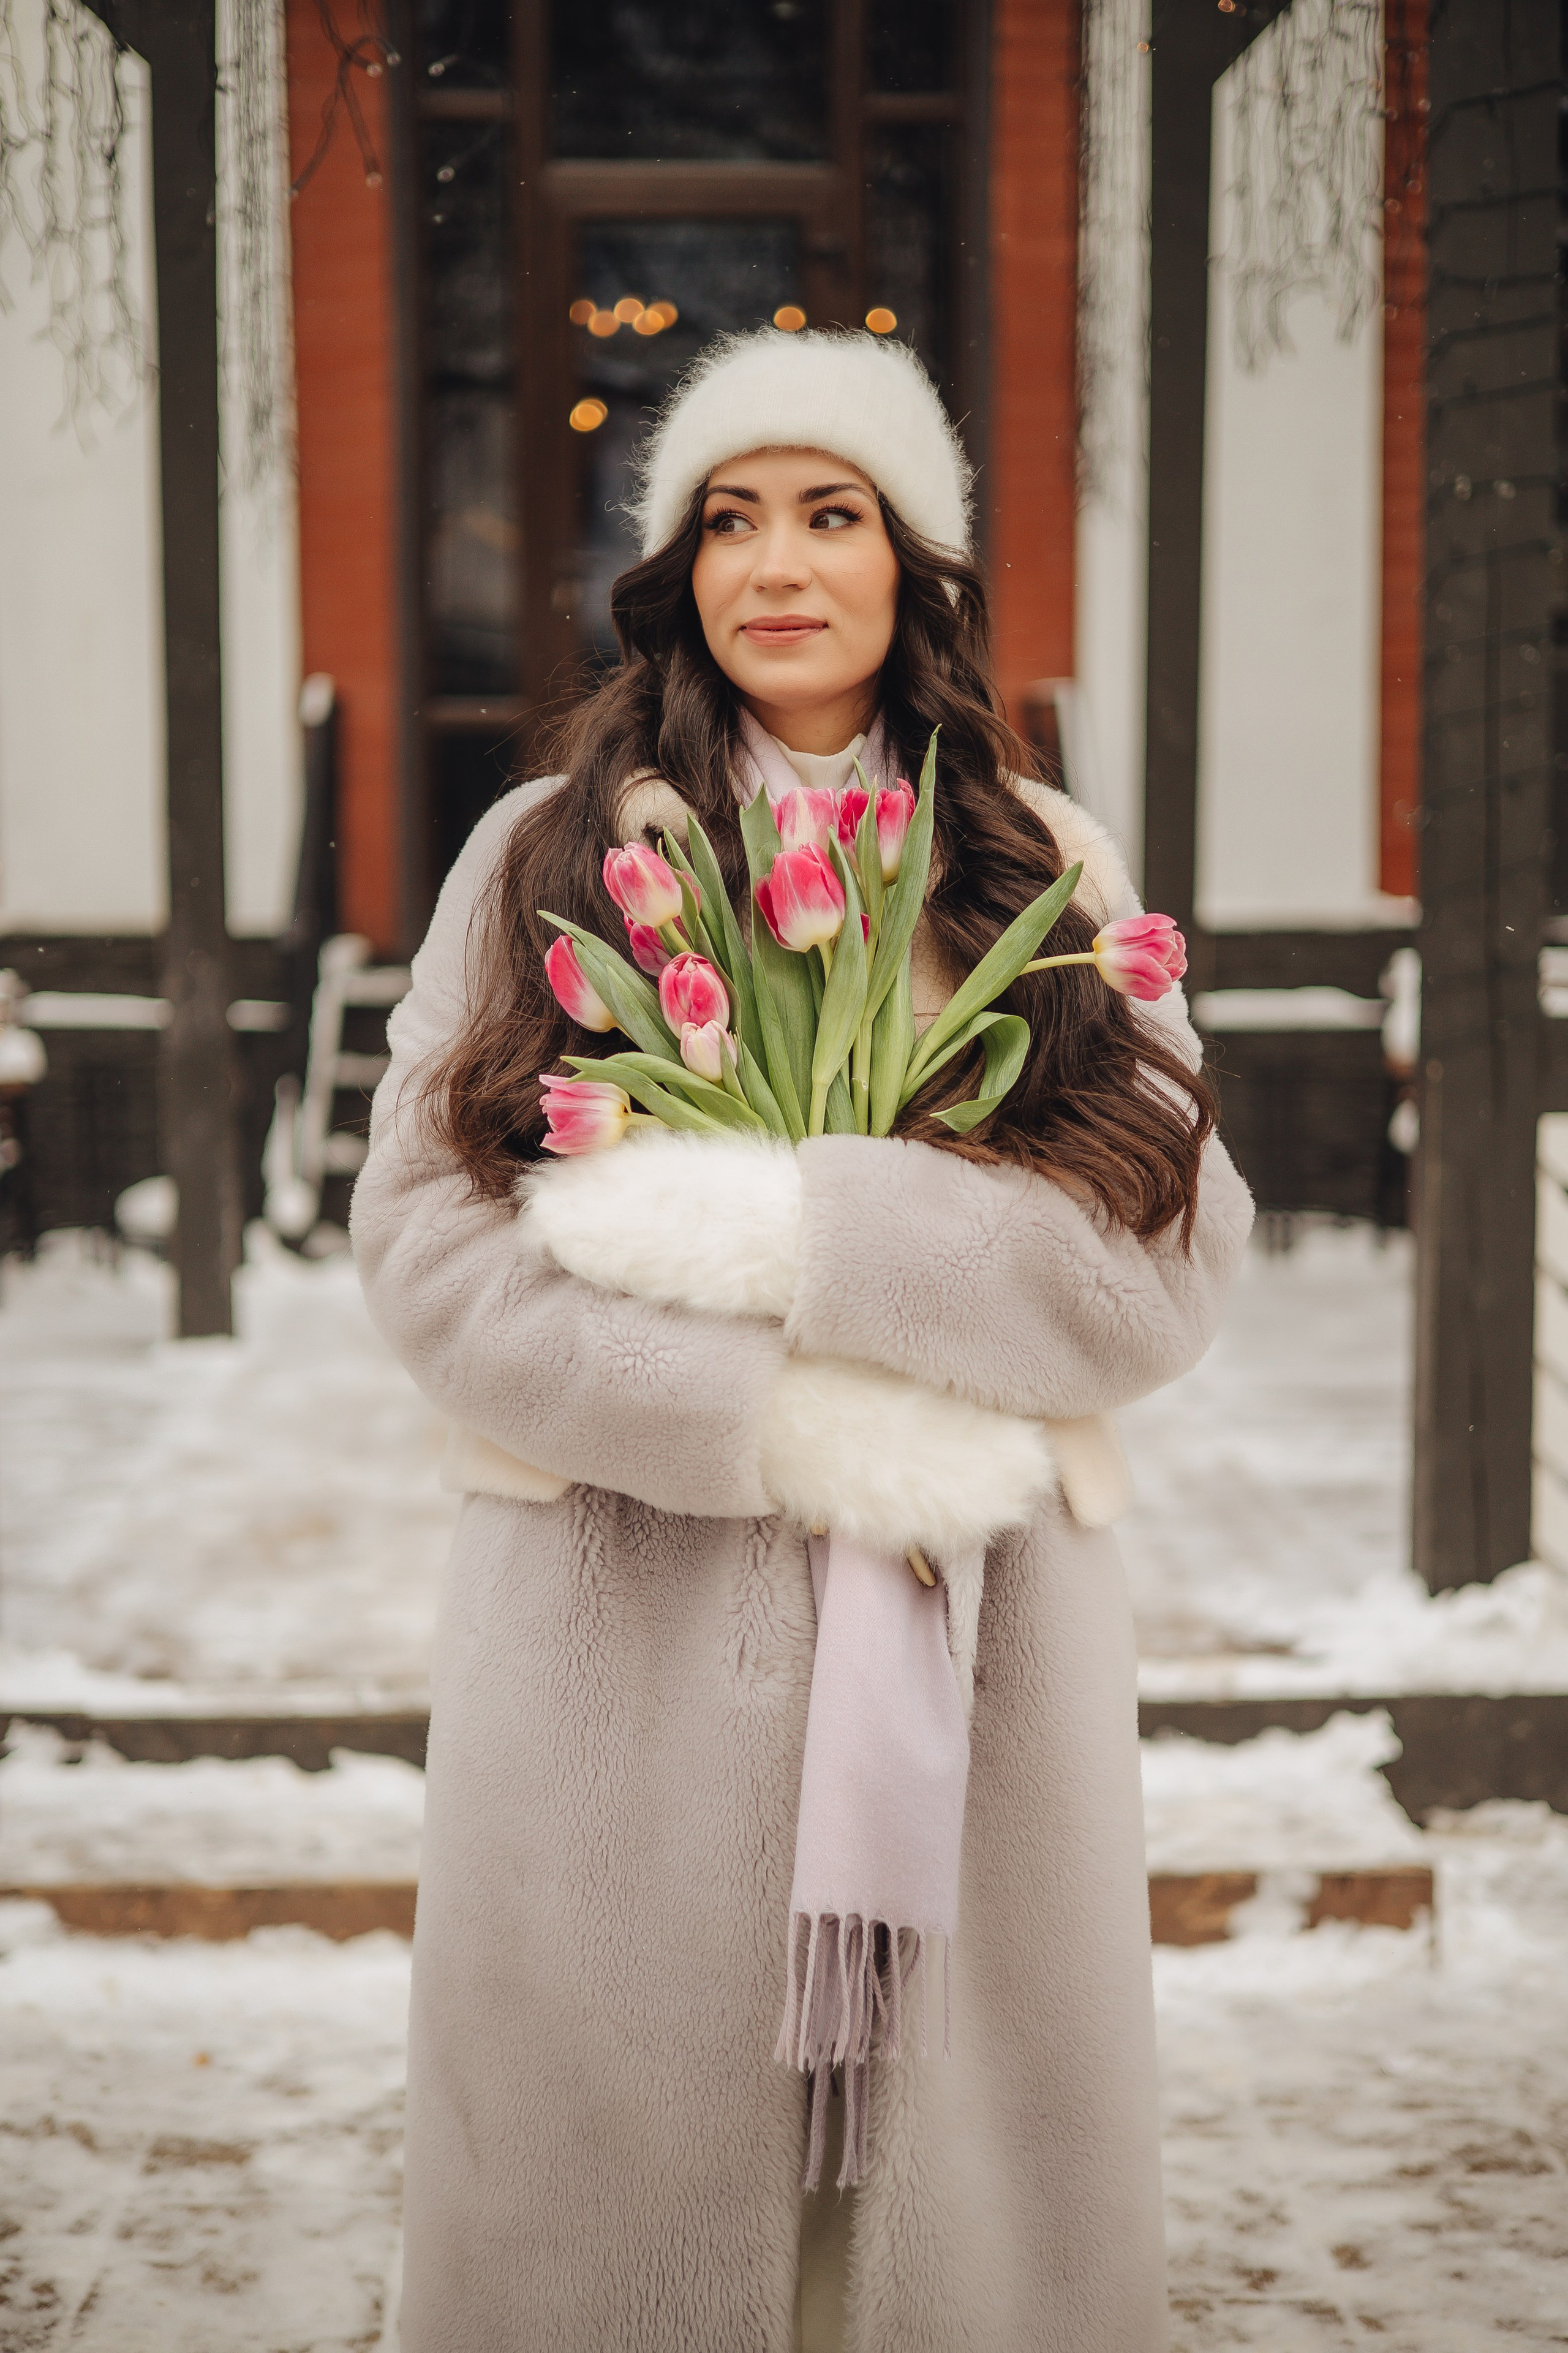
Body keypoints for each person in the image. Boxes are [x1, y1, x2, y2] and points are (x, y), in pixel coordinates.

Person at [352, 327, 1253, 2353]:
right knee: (621, 2202)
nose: (779, 562)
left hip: (980, 1613)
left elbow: (1167, 1258)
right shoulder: (544, 858)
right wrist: (765, 1418)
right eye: (729, 520)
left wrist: (801, 1226)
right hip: (615, 1627)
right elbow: (427, 1242)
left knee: (935, 2226)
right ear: (676, 572)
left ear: (911, 567)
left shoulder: (1042, 863)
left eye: (830, 516)